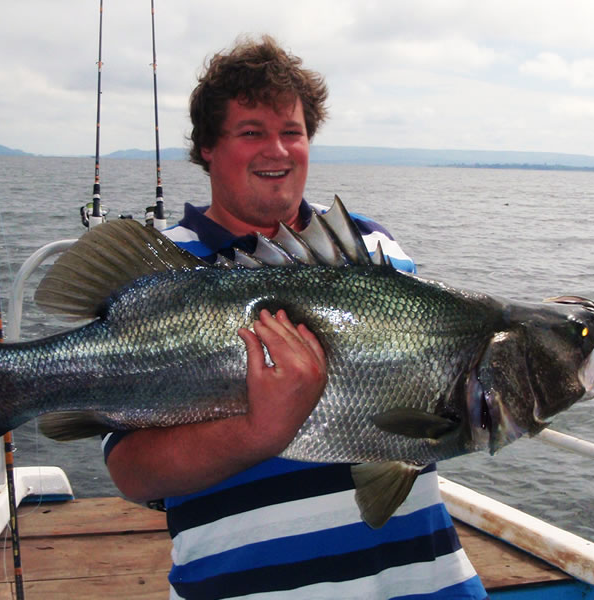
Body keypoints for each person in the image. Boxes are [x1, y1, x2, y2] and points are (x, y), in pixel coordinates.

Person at [103, 35, 487, 599]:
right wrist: (260, 429)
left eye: (293, 132)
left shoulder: (373, 245)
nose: (277, 151)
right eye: (251, 132)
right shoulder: (161, 274)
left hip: (425, 583)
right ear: (208, 146)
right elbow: (133, 475)